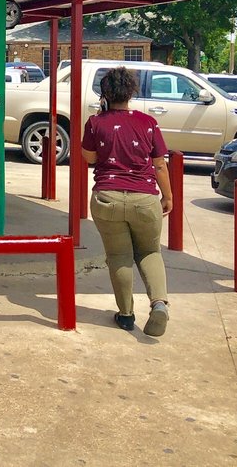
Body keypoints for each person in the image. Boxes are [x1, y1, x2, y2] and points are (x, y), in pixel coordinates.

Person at [81, 66, 172, 337]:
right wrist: (168, 196)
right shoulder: (148, 123)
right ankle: (159, 303)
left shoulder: (95, 123)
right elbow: (160, 165)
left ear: (104, 94)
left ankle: (125, 314)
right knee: (150, 252)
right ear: (131, 92)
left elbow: (89, 158)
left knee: (119, 256)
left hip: (107, 197)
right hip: (144, 199)